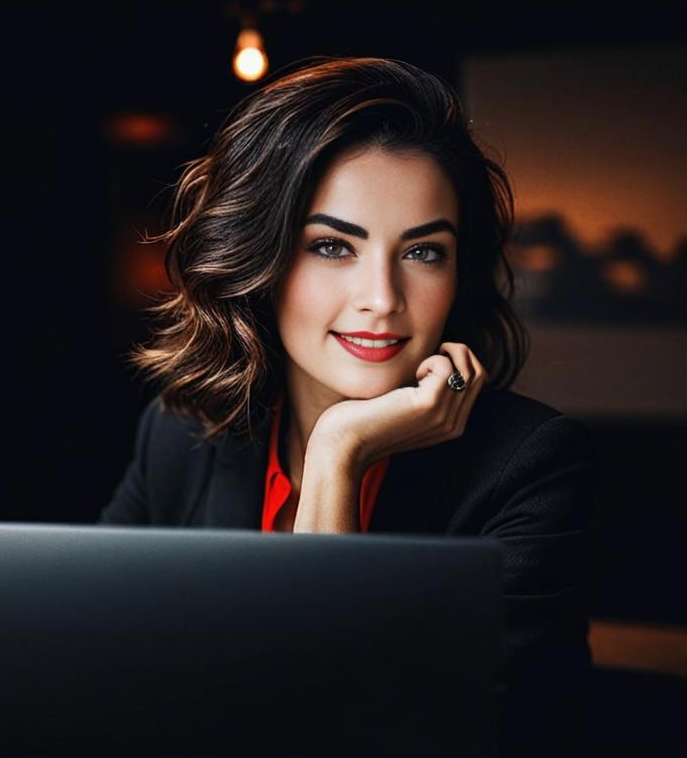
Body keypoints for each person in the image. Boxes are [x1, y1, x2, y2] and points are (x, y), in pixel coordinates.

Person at [98, 55, 600, 756]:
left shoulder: (531, 467)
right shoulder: (180, 434)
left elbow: (330, 729)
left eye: (424, 252)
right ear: (258, 257)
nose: (384, 298)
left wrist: (338, 452)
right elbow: (101, 676)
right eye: (333, 246)